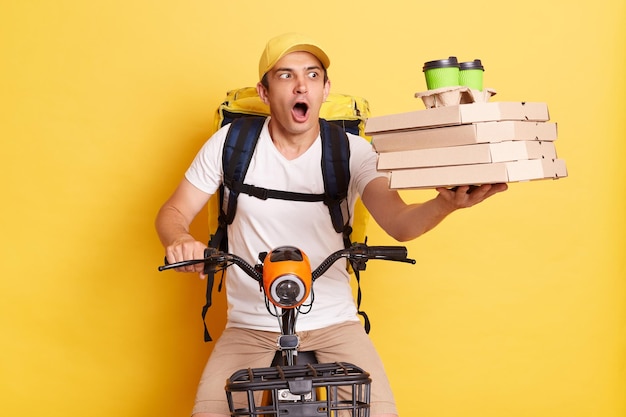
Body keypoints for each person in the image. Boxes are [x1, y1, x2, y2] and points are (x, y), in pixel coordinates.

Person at [155, 32, 507, 417]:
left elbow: (400, 224)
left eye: (312, 74)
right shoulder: (230, 145)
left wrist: (446, 203)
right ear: (265, 91)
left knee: (378, 412)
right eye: (286, 75)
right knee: (210, 412)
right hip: (248, 325)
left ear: (325, 88)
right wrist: (180, 239)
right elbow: (172, 213)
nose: (301, 84)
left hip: (334, 323)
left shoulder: (352, 152)